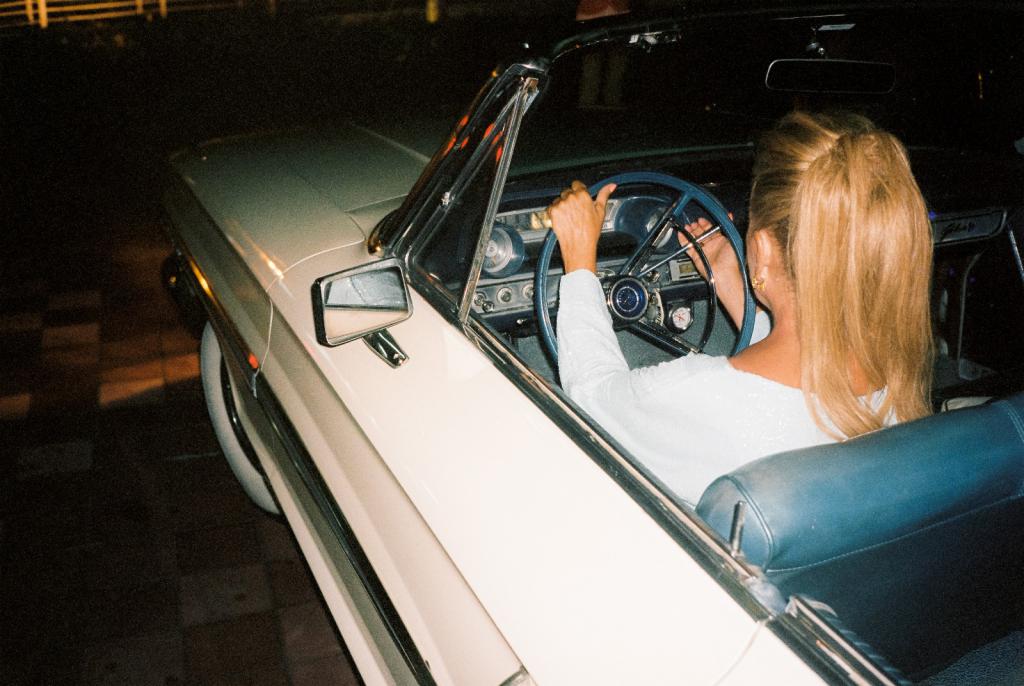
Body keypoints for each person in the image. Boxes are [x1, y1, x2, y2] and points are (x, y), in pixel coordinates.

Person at [547, 111, 934, 505]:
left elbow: (591, 399)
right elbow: (804, 376)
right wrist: (730, 281)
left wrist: (578, 261)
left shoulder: (706, 394)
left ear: (762, 248)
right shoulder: (894, 376)